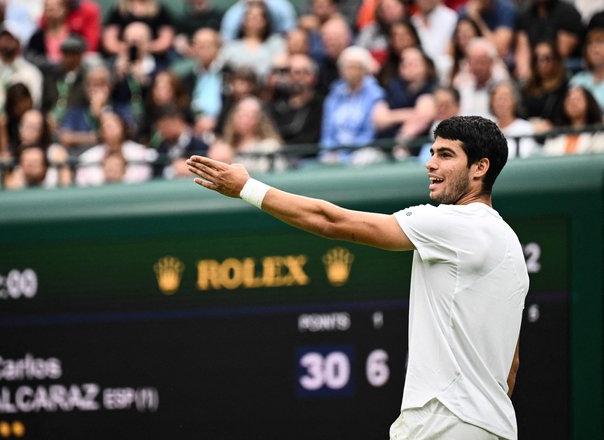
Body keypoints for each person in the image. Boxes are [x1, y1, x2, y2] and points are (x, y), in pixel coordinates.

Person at [187, 114, 528, 440]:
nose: (431, 163)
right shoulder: (510, 245)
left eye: (445, 154)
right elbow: (510, 364)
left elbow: (332, 222)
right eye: (432, 152)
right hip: (493, 424)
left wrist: (247, 187)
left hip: (444, 419)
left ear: (480, 167)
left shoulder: (451, 224)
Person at [319, 45, 385, 163]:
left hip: (362, 151)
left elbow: (369, 132)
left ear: (364, 70)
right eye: (348, 67)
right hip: (335, 153)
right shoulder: (334, 94)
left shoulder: (374, 94)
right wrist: (329, 151)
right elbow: (328, 131)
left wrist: (346, 155)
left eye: (356, 67)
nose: (352, 72)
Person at [75, 110, 153, 186]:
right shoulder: (87, 158)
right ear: (101, 131)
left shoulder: (141, 153)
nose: (111, 128)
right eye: (107, 125)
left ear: (122, 127)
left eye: (114, 124)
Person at [543, 85, 604, 155]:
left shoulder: (599, 134)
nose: (573, 102)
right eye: (569, 99)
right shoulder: (554, 135)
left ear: (589, 102)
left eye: (578, 98)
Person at [489, 80, 539, 158]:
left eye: (505, 98)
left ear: (514, 102)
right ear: (491, 103)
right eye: (498, 99)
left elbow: (525, 155)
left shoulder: (526, 128)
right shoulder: (488, 130)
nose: (501, 103)